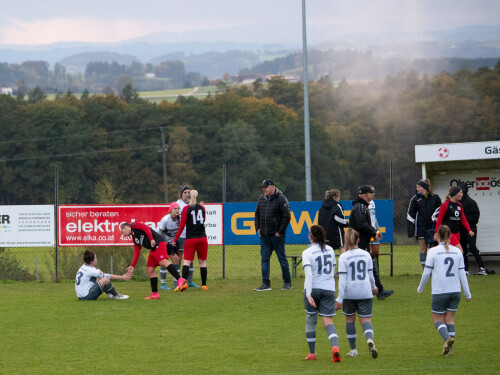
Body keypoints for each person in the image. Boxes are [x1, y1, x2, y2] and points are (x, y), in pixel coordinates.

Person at [417, 224, 472, 355]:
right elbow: (462, 273)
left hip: (440, 290)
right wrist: (467, 293)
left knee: (437, 319)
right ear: (450, 236)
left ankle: (448, 339)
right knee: (450, 320)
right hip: (455, 291)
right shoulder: (457, 251)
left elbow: (426, 272)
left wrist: (420, 288)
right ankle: (450, 350)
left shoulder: (433, 251)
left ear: (437, 236)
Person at [335, 228, 379, 359]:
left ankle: (353, 350)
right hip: (365, 291)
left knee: (350, 319)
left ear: (346, 241)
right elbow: (371, 276)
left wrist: (339, 298)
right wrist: (374, 288)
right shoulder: (366, 255)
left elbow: (342, 280)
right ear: (358, 240)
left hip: (350, 293)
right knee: (365, 319)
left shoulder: (343, 257)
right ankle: (369, 339)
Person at [302, 225, 341, 363]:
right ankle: (335, 347)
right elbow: (332, 272)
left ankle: (312, 353)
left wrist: (308, 294)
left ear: (310, 237)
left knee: (311, 321)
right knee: (328, 321)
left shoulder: (307, 252)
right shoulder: (330, 250)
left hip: (313, 289)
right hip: (329, 289)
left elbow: (309, 275)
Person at [348, 185, 394, 300]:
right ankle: (378, 290)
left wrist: (373, 232)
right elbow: (361, 224)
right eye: (372, 192)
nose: (373, 194)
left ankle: (378, 290)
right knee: (369, 266)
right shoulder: (361, 207)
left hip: (360, 242)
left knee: (368, 266)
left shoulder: (361, 206)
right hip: (360, 242)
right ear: (366, 194)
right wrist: (373, 232)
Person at [120, 222, 185, 299]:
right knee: (149, 269)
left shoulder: (133, 225)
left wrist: (151, 239)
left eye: (122, 231)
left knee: (163, 262)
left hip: (159, 243)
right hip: (153, 249)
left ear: (125, 227)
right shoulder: (135, 238)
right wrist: (132, 266)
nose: (123, 235)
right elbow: (137, 253)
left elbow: (146, 228)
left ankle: (180, 279)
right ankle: (155, 294)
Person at [254, 179, 292, 291]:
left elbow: (287, 216)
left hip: (277, 236)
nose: (264, 189)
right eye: (263, 187)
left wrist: (279, 232)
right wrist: (258, 228)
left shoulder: (281, 198)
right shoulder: (261, 198)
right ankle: (265, 284)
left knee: (282, 259)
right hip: (265, 236)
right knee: (264, 259)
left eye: (265, 187)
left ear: (272, 187)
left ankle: (287, 282)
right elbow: (257, 214)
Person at [172, 190, 209, 291]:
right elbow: (203, 220)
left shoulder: (186, 209)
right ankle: (204, 285)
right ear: (197, 197)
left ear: (189, 196)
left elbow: (182, 226)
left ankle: (183, 284)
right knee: (202, 262)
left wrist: (175, 239)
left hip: (191, 239)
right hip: (202, 238)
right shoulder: (202, 208)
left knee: (187, 262)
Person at [407, 179, 442, 269]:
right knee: (423, 248)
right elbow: (410, 216)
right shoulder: (415, 199)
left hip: (433, 227)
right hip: (421, 227)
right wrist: (411, 231)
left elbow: (440, 211)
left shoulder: (435, 197)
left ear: (425, 188)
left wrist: (437, 220)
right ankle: (425, 270)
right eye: (416, 187)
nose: (417, 189)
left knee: (434, 248)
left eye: (419, 187)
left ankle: (435, 268)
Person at [457, 182, 487, 276]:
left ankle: (482, 269)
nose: (459, 193)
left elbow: (475, 218)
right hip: (461, 229)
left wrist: (464, 218)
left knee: (473, 248)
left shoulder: (471, 202)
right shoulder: (456, 203)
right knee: (463, 249)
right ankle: (465, 270)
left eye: (461, 191)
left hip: (471, 229)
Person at [434, 186, 474, 254]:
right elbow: (439, 220)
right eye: (460, 192)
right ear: (454, 193)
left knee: (451, 252)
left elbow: (463, 219)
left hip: (457, 233)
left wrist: (469, 230)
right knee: (460, 251)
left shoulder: (459, 205)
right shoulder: (446, 205)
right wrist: (436, 233)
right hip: (449, 233)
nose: (462, 194)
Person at [176, 185, 199, 288]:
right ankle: (178, 279)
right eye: (185, 192)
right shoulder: (178, 204)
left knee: (190, 257)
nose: (187, 194)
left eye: (188, 192)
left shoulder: (193, 204)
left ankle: (190, 281)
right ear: (181, 194)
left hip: (191, 235)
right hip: (182, 234)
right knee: (179, 257)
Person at [156, 202, 182, 290]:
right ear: (171, 210)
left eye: (178, 208)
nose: (177, 210)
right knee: (166, 261)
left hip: (172, 242)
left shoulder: (180, 218)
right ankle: (163, 284)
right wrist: (163, 244)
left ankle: (176, 284)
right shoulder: (165, 219)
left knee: (176, 261)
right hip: (162, 241)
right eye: (175, 209)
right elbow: (160, 233)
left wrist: (174, 241)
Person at [318, 189, 348, 253]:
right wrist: (346, 224)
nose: (339, 199)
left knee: (326, 250)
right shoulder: (337, 206)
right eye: (339, 197)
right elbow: (339, 219)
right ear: (334, 197)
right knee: (342, 247)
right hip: (336, 233)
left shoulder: (322, 207)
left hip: (324, 233)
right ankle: (343, 262)